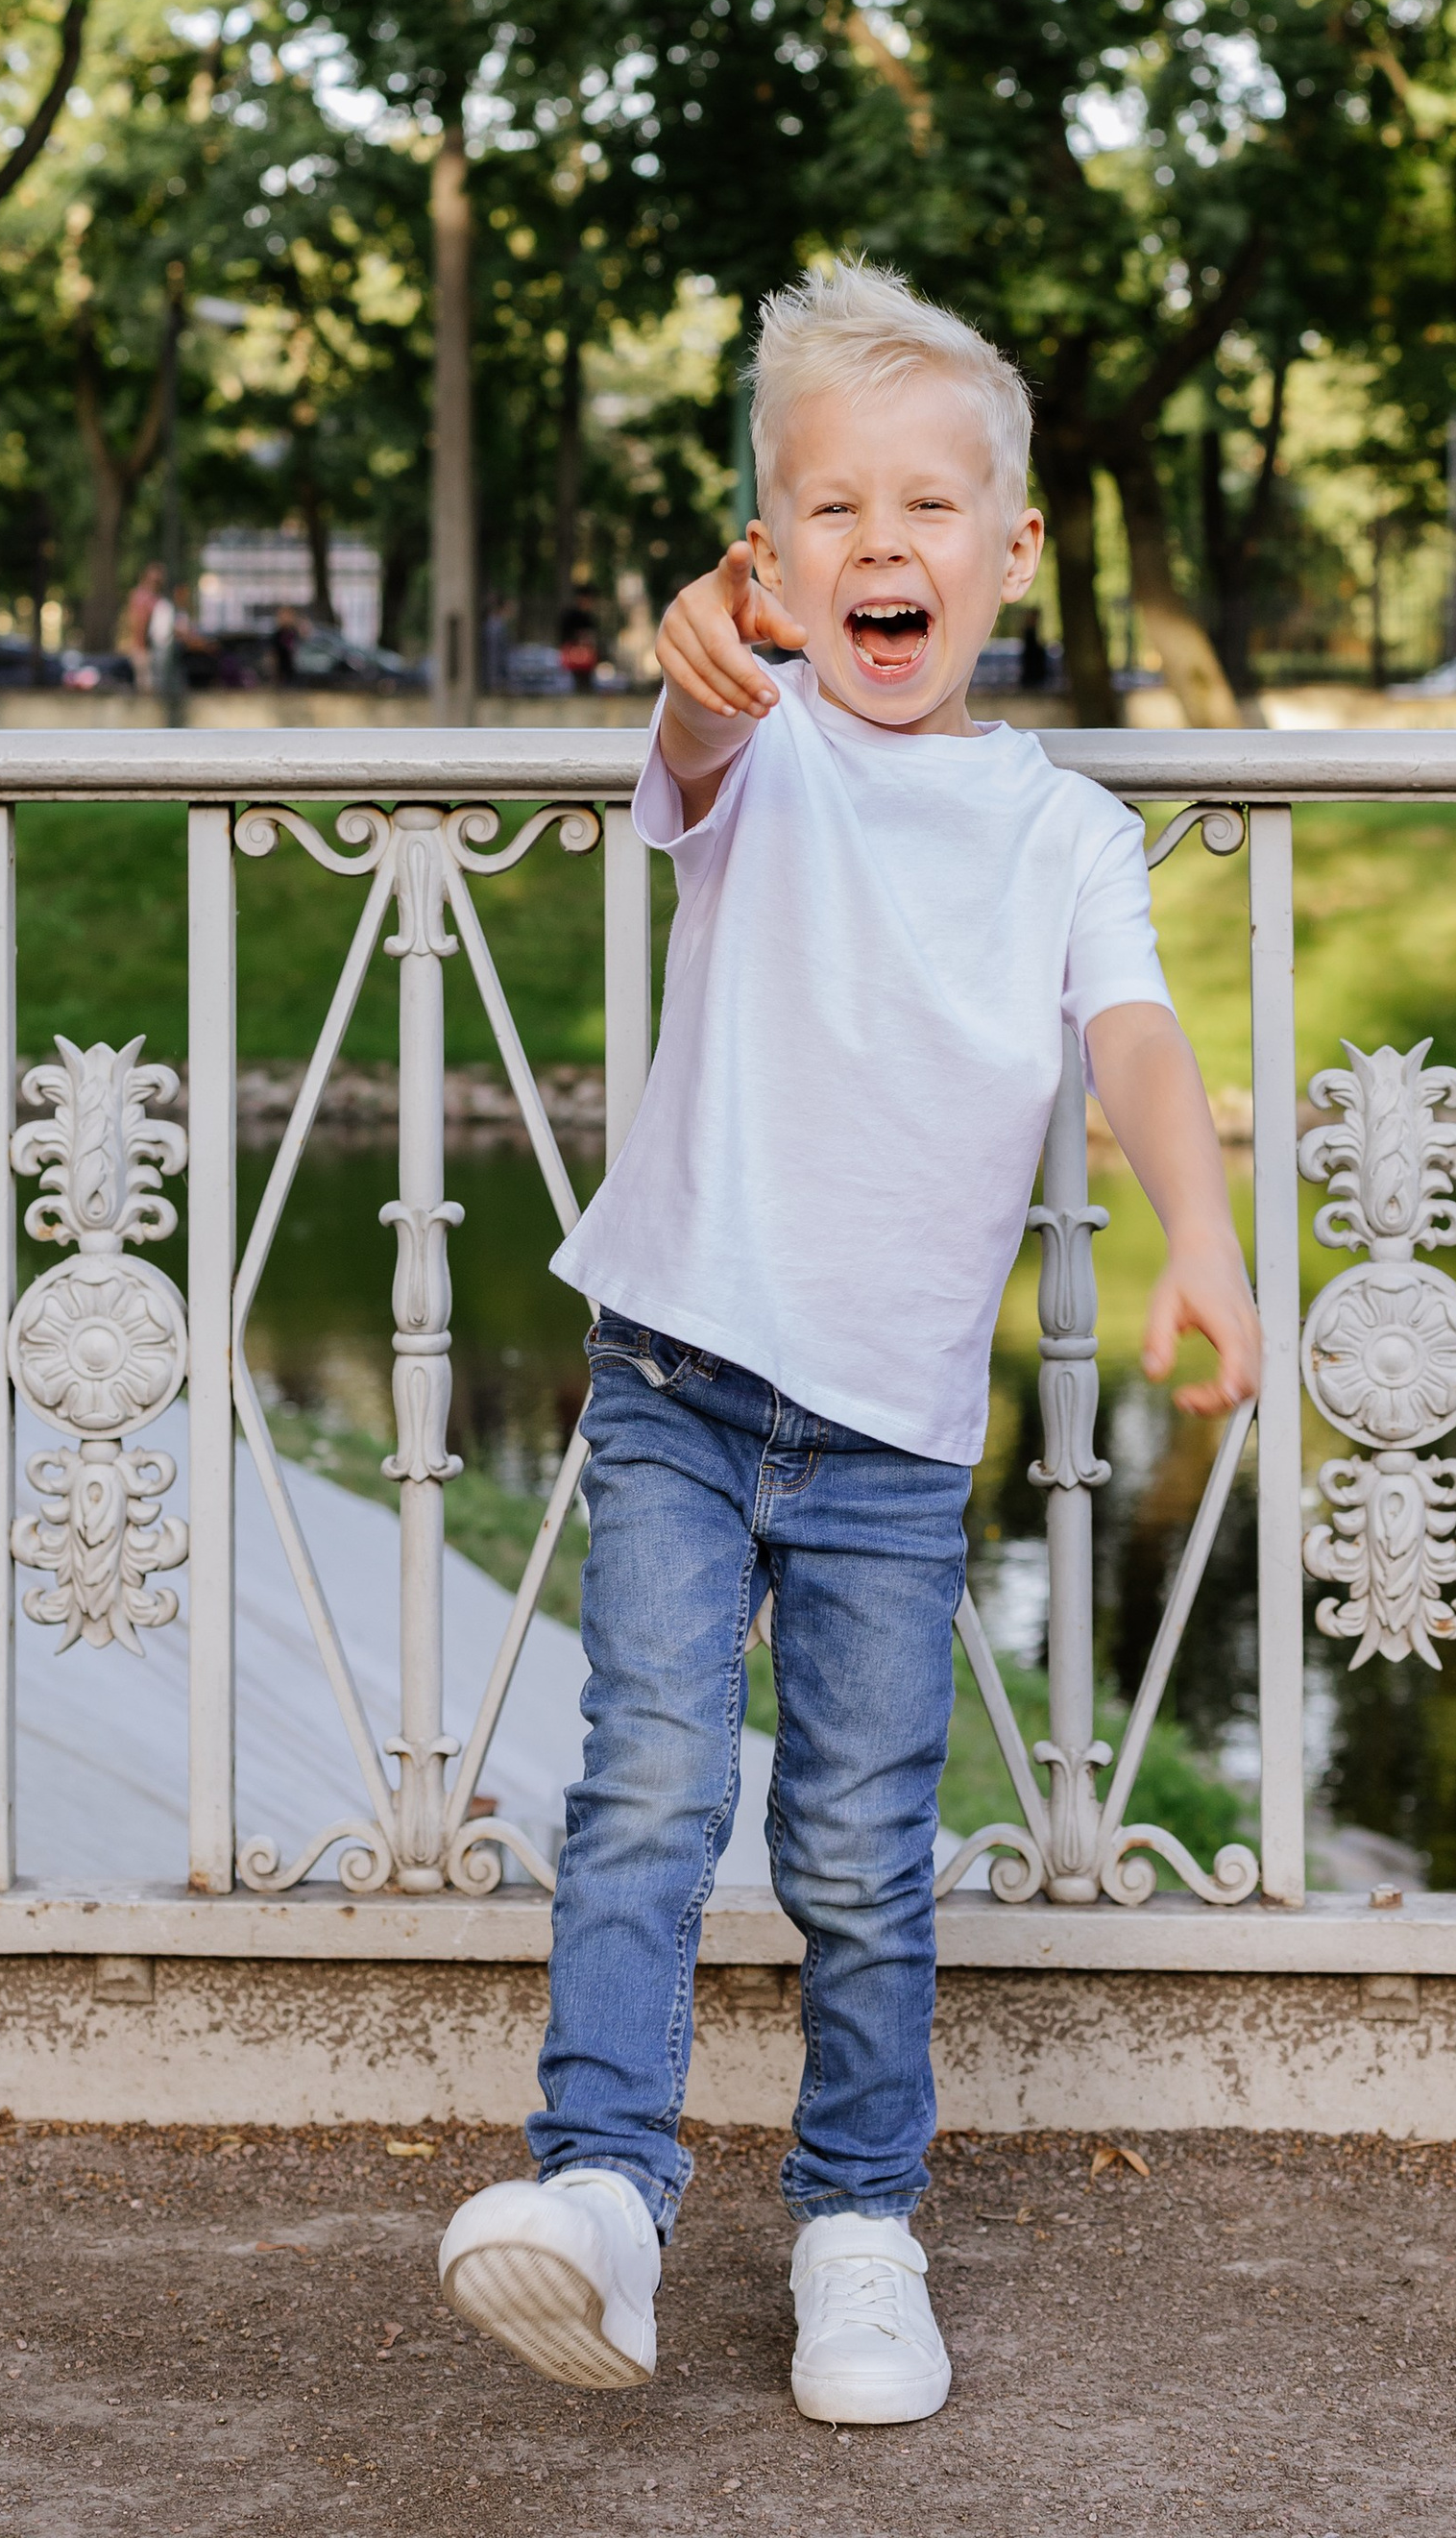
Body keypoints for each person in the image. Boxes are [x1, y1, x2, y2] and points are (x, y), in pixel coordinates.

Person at [436, 262, 1262, 2426]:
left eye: (923, 509)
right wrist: (702, 676)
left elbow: (1138, 1042)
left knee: (859, 1852)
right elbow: (693, 733)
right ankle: (600, 2196)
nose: (875, 546)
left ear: (1009, 552)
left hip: (891, 1435)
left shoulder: (1061, 829)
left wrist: (1206, 1243)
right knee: (641, 1790)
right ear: (770, 562)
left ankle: (854, 2231)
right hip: (681, 1380)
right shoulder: (757, 744)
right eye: (825, 512)